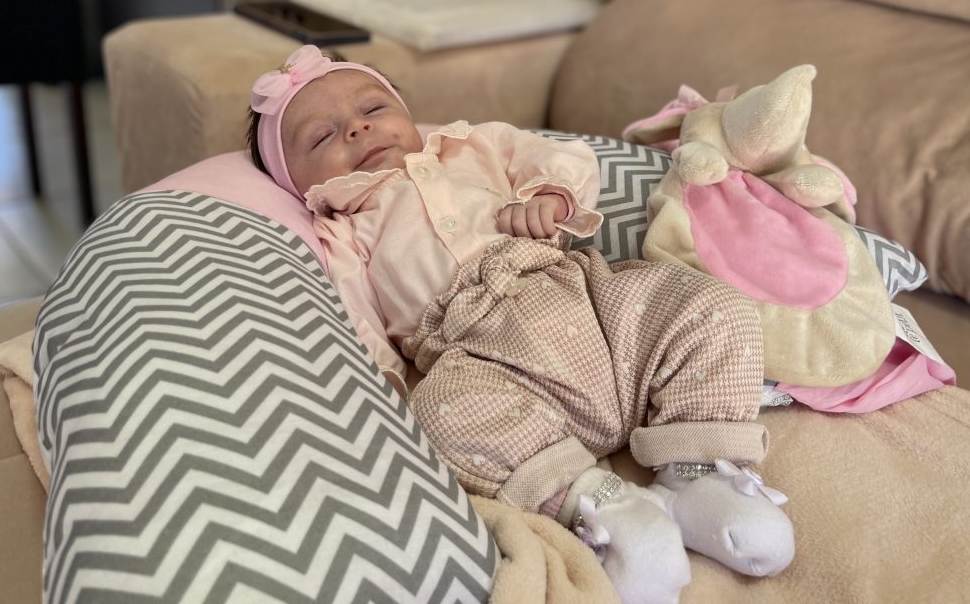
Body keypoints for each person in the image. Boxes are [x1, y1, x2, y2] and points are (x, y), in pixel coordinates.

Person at [246, 45, 794, 603]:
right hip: (481, 356)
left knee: (707, 303)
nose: (357, 128)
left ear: (406, 113)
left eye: (372, 108)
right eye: (322, 137)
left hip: (583, 299)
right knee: (436, 415)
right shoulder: (343, 229)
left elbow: (555, 156)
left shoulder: (471, 146)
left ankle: (697, 472)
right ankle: (603, 504)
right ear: (298, 184)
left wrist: (548, 195)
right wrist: (382, 380)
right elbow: (354, 315)